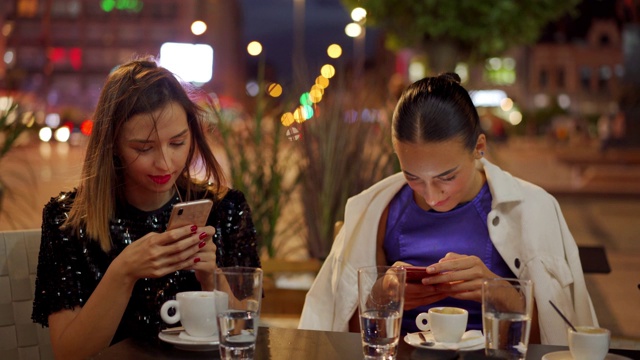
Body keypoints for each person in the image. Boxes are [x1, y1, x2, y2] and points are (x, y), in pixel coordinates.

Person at [299, 73, 598, 345]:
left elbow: (553, 336)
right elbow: (341, 333)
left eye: (447, 177)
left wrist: (498, 292)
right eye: (413, 177)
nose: (431, 195)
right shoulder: (379, 211)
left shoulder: (534, 209)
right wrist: (380, 296)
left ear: (479, 147)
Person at [31, 57, 261, 359]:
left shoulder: (226, 209)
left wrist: (212, 278)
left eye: (177, 143)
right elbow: (69, 353)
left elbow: (247, 336)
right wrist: (123, 272)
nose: (165, 163)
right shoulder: (68, 220)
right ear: (112, 145)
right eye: (143, 148)